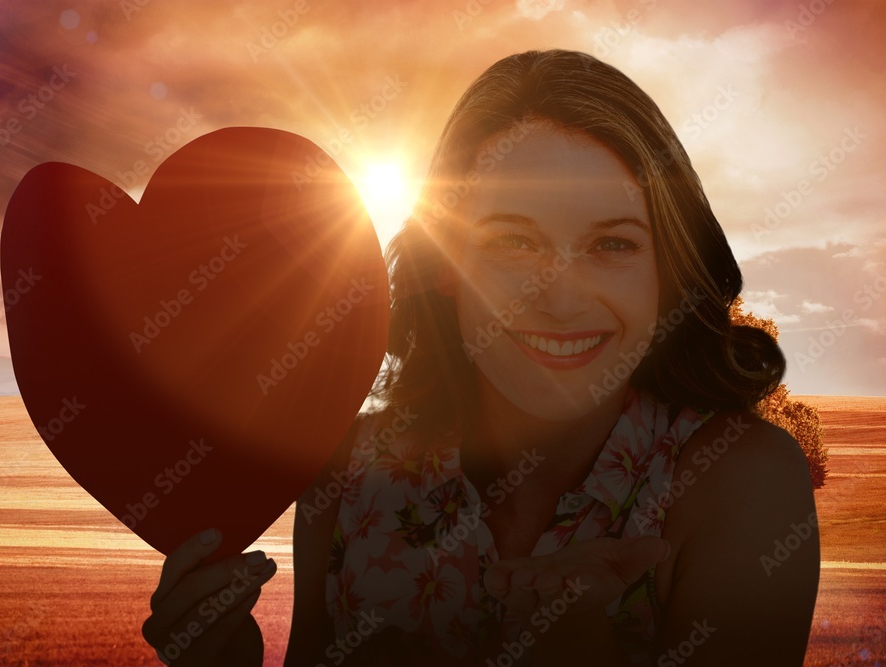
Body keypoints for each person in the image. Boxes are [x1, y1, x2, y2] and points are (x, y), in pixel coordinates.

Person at [141, 48, 819, 666]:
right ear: (445, 264)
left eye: (611, 245)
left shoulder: (742, 483)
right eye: (512, 243)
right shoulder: (346, 478)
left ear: (666, 271)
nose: (559, 297)